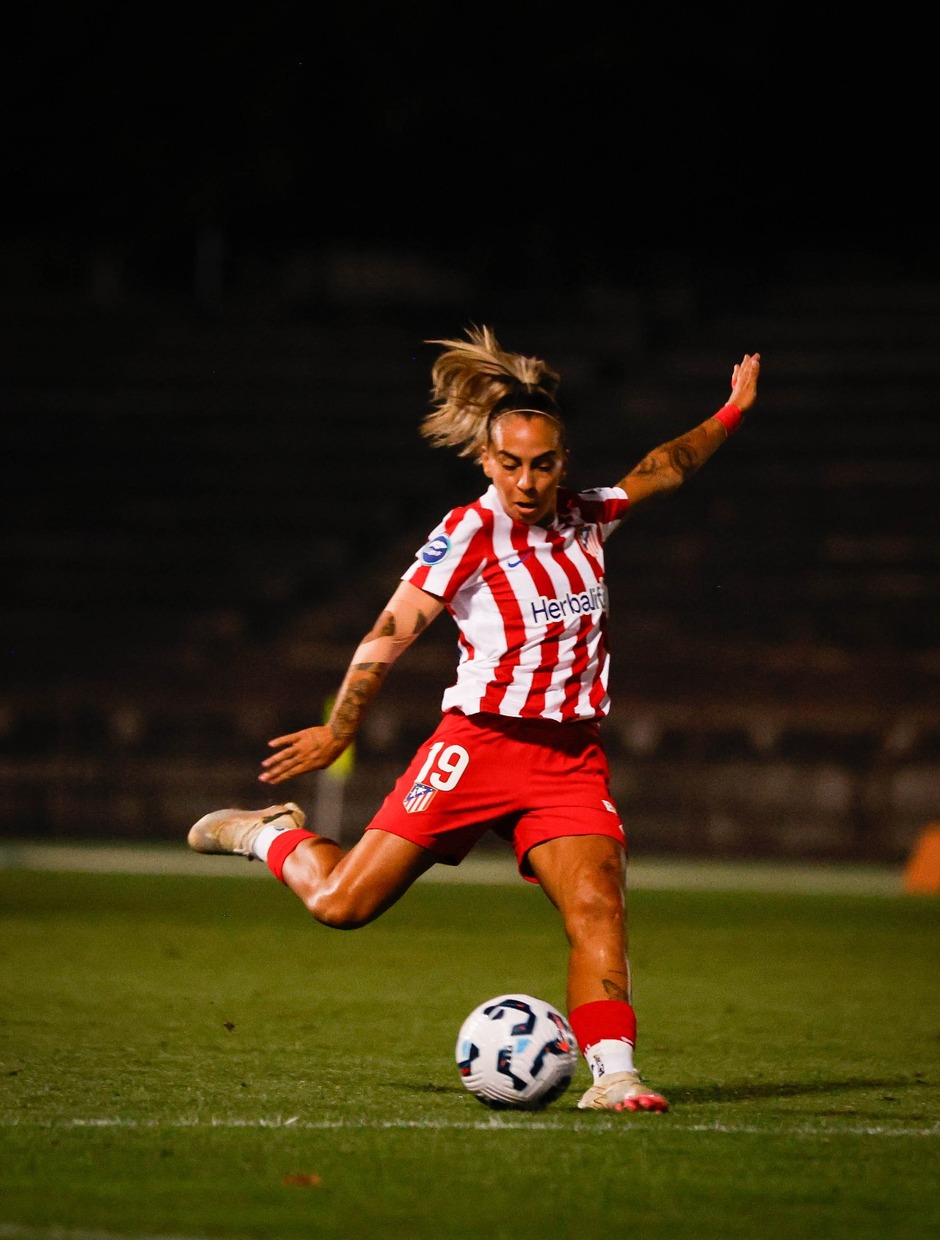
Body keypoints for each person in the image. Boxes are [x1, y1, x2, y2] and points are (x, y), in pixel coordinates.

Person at [188, 324, 761, 1112]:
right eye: (512, 464)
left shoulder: (587, 516)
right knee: (343, 907)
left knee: (597, 901)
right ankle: (267, 833)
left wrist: (730, 411)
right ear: (488, 461)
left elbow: (664, 468)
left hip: (567, 759)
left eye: (544, 463)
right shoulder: (466, 532)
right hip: (478, 744)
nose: (528, 481)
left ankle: (615, 1074)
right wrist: (340, 727)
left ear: (564, 460)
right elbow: (390, 631)